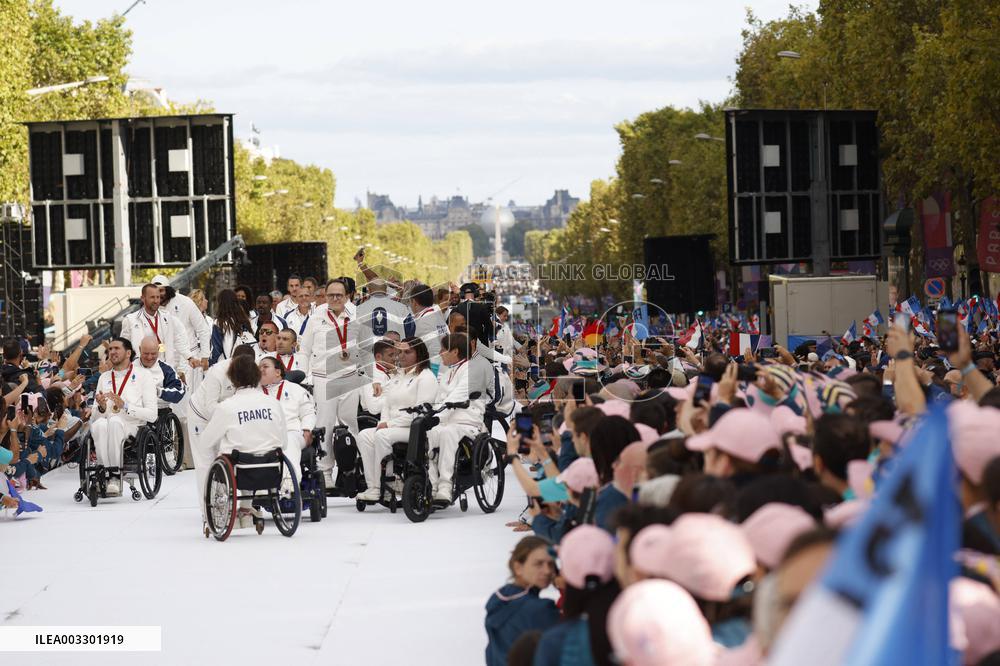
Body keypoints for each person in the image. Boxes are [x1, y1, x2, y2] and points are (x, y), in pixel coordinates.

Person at [197, 355, 288, 530]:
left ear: (232, 378)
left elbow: (206, 442)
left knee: (225, 453)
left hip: (239, 471)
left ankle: (224, 509)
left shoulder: (226, 407)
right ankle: (246, 510)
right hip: (271, 468)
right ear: (256, 375)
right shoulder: (273, 403)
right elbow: (283, 441)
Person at [355, 337, 438, 501]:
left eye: (407, 352)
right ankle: (374, 487)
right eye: (399, 352)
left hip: (415, 429)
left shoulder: (426, 377)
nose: (402, 356)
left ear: (419, 353)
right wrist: (382, 423)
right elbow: (386, 404)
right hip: (393, 427)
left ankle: (389, 483)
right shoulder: (397, 376)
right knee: (364, 435)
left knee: (382, 435)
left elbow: (421, 412)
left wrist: (389, 424)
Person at [299, 279, 363, 486]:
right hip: (323, 377)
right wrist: (302, 377)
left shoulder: (356, 315)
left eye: (339, 295)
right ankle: (325, 472)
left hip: (350, 376)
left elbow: (367, 348)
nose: (335, 299)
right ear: (325, 296)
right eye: (331, 295)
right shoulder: (316, 317)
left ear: (347, 296)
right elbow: (305, 349)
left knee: (351, 423)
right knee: (324, 425)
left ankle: (350, 469)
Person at [188, 344, 256, 525]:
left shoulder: (252, 372)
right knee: (206, 463)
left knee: (237, 457)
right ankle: (207, 515)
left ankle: (243, 508)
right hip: (201, 417)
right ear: (232, 361)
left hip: (229, 417)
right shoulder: (216, 372)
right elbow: (210, 407)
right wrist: (234, 419)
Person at [91, 337, 157, 496]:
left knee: (114, 422)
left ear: (128, 353)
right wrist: (100, 407)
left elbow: (153, 415)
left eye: (116, 348)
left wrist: (125, 406)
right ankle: (103, 474)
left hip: (131, 425)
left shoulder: (144, 375)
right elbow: (93, 416)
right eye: (110, 349)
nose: (112, 352)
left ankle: (114, 476)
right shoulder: (104, 377)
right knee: (99, 424)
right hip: (105, 422)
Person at [427, 333, 485, 506]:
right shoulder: (447, 372)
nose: (440, 353)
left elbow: (455, 398)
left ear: (455, 351)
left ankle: (446, 485)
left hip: (467, 422)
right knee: (425, 435)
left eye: (444, 350)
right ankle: (431, 485)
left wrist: (435, 418)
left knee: (447, 433)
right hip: (446, 421)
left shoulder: (472, 370)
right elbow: (438, 399)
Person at [484, 535, 560, 666]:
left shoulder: (498, 599)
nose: (548, 571)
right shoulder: (541, 609)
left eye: (551, 564)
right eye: (539, 564)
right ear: (518, 567)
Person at [258, 356, 316, 486]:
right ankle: (257, 487)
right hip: (263, 436)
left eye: (265, 367)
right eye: (259, 367)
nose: (260, 369)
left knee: (288, 440)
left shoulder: (295, 390)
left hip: (291, 432)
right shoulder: (253, 392)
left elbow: (308, 413)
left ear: (278, 372)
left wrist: (307, 429)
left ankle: (289, 484)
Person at [121, 283, 194, 375]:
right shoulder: (130, 320)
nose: (156, 301)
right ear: (143, 298)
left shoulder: (167, 317)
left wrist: (189, 357)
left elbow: (177, 340)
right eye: (152, 297)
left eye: (158, 297)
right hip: (141, 372)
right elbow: (123, 347)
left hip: (165, 371)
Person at [209, 288, 256, 365]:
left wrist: (212, 365)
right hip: (245, 362)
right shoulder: (244, 320)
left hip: (225, 364)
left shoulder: (219, 322)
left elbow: (216, 349)